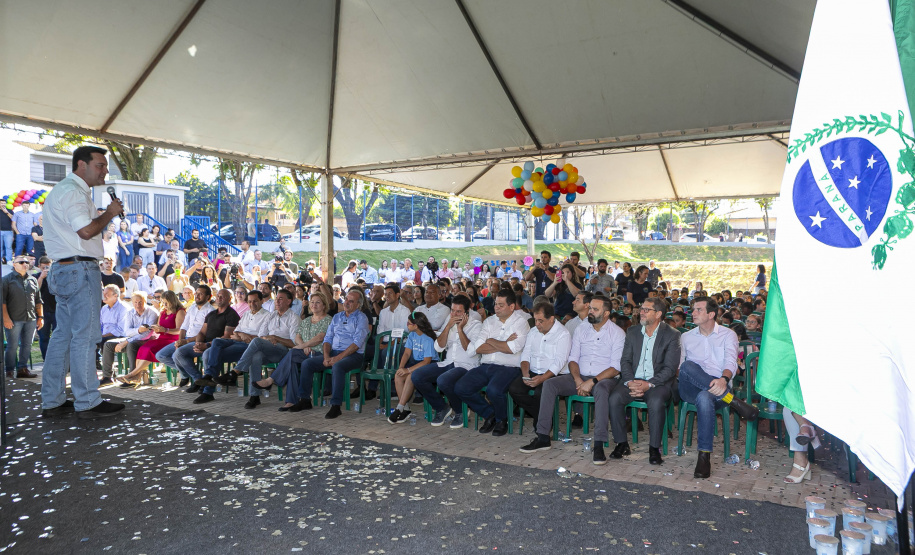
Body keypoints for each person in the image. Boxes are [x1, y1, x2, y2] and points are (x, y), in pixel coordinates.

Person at [40, 146, 126, 418]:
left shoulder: (62, 190)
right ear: (81, 165)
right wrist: (110, 213)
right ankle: (87, 400)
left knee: (63, 336)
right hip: (79, 268)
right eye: (100, 165)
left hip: (62, 269)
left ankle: (52, 399)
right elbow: (87, 230)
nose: (105, 171)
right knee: (86, 337)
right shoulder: (74, 192)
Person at [521, 296, 625, 453]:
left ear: (606, 313)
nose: (590, 312)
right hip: (579, 375)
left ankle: (599, 444)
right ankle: (542, 436)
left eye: (595, 309)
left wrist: (592, 381)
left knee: (602, 390)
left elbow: (616, 367)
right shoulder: (581, 329)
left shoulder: (617, 333)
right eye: (590, 308)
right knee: (549, 384)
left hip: (604, 378)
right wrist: (577, 379)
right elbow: (573, 359)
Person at [678, 297, 759, 479]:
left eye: (699, 309)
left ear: (711, 314)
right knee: (687, 366)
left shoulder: (728, 334)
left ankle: (704, 457)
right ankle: (733, 401)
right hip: (689, 387)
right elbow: (680, 367)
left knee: (705, 397)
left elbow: (731, 360)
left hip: (718, 385)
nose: (693, 313)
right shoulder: (686, 337)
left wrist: (723, 379)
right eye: (693, 309)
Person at [604, 297, 681, 465]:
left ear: (659, 314)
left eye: (647, 310)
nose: (641, 312)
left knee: (655, 401)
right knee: (614, 398)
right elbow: (624, 361)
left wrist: (649, 384)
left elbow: (670, 368)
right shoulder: (632, 332)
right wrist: (630, 381)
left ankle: (654, 448)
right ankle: (622, 443)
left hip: (657, 383)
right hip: (633, 380)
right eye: (641, 309)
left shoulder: (672, 335)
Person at [452, 290, 530, 436]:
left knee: (493, 390)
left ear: (512, 306)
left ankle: (501, 420)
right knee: (461, 387)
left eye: (501, 305)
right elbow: (479, 348)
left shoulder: (521, 323)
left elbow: (512, 349)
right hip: (486, 365)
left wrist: (492, 341)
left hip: (509, 367)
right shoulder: (489, 321)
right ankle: (490, 414)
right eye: (495, 304)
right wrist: (504, 342)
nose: (496, 308)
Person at [297, 289, 370, 419]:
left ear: (358, 305)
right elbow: (327, 339)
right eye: (346, 299)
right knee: (307, 363)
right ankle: (305, 400)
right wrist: (326, 356)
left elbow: (356, 344)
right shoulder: (337, 317)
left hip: (354, 355)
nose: (346, 302)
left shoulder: (361, 318)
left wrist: (337, 358)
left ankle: (336, 405)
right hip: (333, 352)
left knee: (338, 366)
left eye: (351, 301)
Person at [411, 295, 482, 427]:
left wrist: (460, 329)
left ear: (467, 312)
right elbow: (438, 347)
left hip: (466, 365)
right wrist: (448, 326)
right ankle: (441, 407)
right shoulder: (449, 322)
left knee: (443, 380)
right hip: (448, 362)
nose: (454, 314)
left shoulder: (476, 325)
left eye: (458, 311)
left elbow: (471, 350)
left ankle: (460, 410)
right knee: (417, 376)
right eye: (453, 311)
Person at [228, 289, 300, 409]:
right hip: (268, 347)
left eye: (281, 299)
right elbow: (262, 335)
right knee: (255, 357)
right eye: (276, 298)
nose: (277, 301)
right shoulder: (271, 315)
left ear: (289, 301)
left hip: (284, 351)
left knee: (256, 342)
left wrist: (275, 338)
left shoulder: (294, 318)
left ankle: (236, 371)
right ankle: (254, 396)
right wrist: (268, 339)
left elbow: (294, 344)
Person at [193, 290, 271, 400]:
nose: (252, 304)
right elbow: (236, 331)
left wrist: (242, 336)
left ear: (262, 301)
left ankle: (207, 389)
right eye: (249, 301)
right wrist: (241, 335)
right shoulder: (247, 314)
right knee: (216, 342)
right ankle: (209, 377)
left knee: (209, 354)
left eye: (255, 301)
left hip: (249, 346)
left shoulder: (267, 316)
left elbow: (261, 336)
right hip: (236, 340)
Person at [261, 291, 332, 411]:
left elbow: (320, 338)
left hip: (319, 353)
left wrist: (302, 346)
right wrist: (303, 346)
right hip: (304, 352)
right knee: (293, 362)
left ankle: (272, 380)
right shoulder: (306, 320)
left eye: (318, 302)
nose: (314, 305)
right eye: (312, 302)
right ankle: (292, 401)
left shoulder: (328, 320)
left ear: (324, 305)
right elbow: (297, 337)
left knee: (293, 353)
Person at [509, 302, 572, 435]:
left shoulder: (563, 334)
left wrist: (542, 378)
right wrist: (525, 374)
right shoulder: (533, 332)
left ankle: (541, 425)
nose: (537, 324)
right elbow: (526, 354)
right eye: (535, 320)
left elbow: (559, 362)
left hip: (553, 374)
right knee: (514, 389)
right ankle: (543, 417)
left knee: (540, 393)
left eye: (541, 321)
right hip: (533, 371)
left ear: (551, 319)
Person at [117, 290, 185, 385]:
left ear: (172, 301)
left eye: (166, 302)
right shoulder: (163, 312)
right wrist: (155, 329)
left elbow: (180, 330)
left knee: (149, 349)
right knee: (143, 348)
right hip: (161, 338)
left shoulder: (179, 312)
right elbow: (158, 327)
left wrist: (165, 330)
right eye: (162, 302)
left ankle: (132, 374)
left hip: (173, 339)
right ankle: (136, 375)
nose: (164, 304)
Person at [154, 284, 215, 387]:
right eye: (197, 293)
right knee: (160, 355)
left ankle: (196, 379)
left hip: (200, 341)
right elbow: (183, 327)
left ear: (208, 296)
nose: (197, 296)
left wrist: (185, 342)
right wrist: (180, 341)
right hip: (186, 339)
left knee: (177, 354)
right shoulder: (192, 307)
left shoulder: (211, 311)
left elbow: (206, 334)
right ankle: (189, 373)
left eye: (201, 294)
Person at [387, 312, 438, 423]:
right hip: (416, 362)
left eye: (409, 323)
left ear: (416, 325)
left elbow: (427, 361)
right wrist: (401, 368)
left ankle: (400, 407)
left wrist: (408, 370)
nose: (407, 325)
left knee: (411, 376)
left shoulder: (428, 339)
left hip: (429, 365)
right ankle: (405, 409)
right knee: (399, 376)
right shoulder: (412, 335)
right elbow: (406, 353)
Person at [2, 254, 42, 378]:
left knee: (27, 345)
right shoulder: (6, 280)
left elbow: (38, 300)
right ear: (14, 265)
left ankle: (22, 369)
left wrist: (41, 317)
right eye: (21, 262)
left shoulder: (33, 279)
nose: (25, 264)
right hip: (13, 319)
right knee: (12, 345)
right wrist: (6, 318)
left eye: (26, 262)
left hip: (30, 318)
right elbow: (2, 302)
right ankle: (9, 371)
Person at [97, 284, 129, 384]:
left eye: (107, 294)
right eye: (103, 294)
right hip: (104, 336)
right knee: (87, 342)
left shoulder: (123, 308)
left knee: (101, 341)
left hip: (120, 336)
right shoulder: (104, 309)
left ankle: (107, 376)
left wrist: (102, 336)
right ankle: (93, 373)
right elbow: (100, 325)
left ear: (115, 296)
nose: (104, 296)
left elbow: (120, 330)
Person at [33, 257, 56, 359]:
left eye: (48, 267)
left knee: (58, 337)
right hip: (42, 311)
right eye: (44, 267)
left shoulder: (56, 276)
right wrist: (41, 277)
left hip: (56, 310)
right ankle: (46, 360)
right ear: (39, 267)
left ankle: (57, 359)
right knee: (44, 337)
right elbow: (35, 291)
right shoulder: (35, 277)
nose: (46, 269)